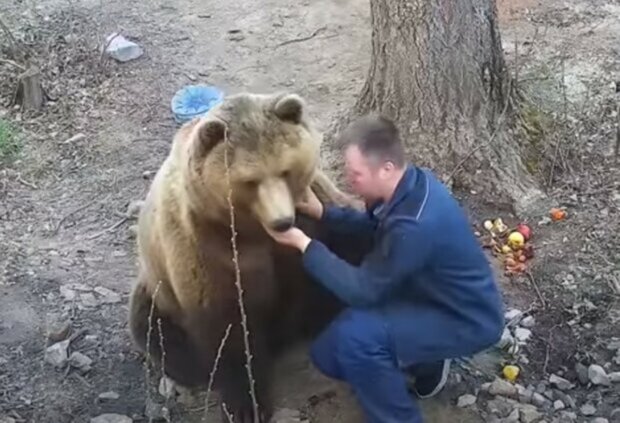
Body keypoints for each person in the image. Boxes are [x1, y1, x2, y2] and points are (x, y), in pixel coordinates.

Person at [264, 114, 505, 423]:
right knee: (327, 354)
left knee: (355, 341)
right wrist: (324, 213)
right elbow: (377, 225)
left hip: (464, 318)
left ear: (387, 168)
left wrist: (304, 243)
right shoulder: (414, 185)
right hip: (431, 296)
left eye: (356, 174)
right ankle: (423, 359)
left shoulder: (414, 226)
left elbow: (362, 291)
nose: (349, 181)